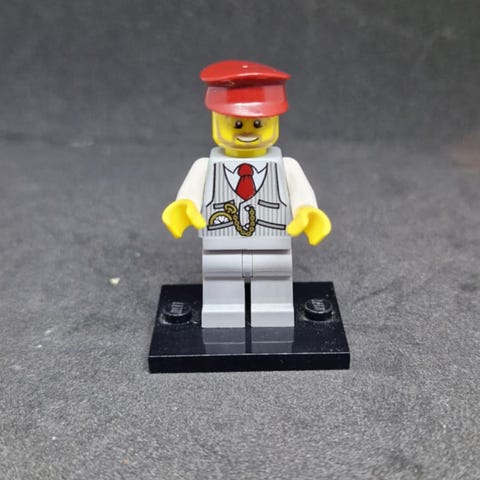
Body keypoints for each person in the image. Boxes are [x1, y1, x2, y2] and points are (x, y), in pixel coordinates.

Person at [162, 60, 331, 328]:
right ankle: (221, 313)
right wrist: (185, 206)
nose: (249, 132)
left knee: (274, 278)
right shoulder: (206, 166)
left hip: (273, 241)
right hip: (220, 241)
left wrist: (306, 211)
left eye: (258, 123)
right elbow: (189, 194)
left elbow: (302, 194)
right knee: (221, 277)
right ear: (216, 120)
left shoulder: (286, 166)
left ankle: (273, 312)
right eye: (238, 123)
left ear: (274, 121)